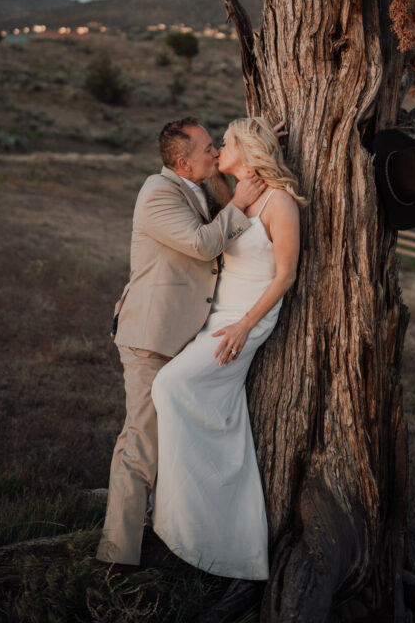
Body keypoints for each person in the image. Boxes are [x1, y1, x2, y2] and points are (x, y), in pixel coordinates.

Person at [96, 117, 267, 570]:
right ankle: (117, 557)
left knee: (176, 440)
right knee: (141, 442)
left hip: (184, 337)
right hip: (152, 337)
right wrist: (243, 203)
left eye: (216, 146)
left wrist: (259, 143)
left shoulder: (200, 186)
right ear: (181, 161)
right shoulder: (157, 192)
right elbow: (200, 244)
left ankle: (174, 533)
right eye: (208, 148)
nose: (215, 154)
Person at [151, 116, 305, 580]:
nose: (218, 150)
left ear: (248, 149)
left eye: (225, 143)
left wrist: (244, 326)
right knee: (205, 410)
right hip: (218, 316)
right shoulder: (231, 195)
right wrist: (254, 143)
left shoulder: (280, 203)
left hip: (246, 320)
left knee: (170, 386)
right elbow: (221, 191)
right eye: (216, 145)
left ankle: (195, 518)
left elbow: (285, 276)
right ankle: (204, 523)